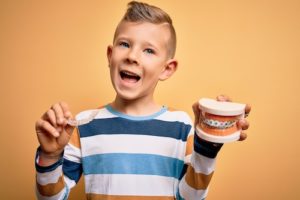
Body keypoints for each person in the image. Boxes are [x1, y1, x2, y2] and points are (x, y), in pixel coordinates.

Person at [34, 1, 251, 200]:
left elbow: (191, 197)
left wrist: (207, 146)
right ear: (110, 56)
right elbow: (50, 198)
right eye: (125, 44)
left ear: (167, 69)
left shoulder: (180, 126)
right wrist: (50, 156)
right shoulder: (83, 125)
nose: (132, 56)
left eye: (148, 50)